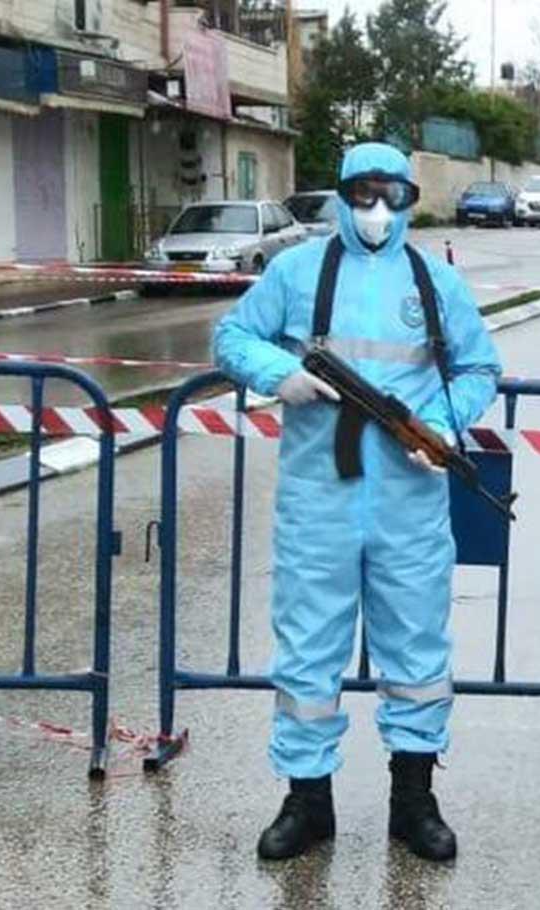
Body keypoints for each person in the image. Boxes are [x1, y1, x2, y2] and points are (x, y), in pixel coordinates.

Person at [213, 142, 501, 863]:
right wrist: (279, 374)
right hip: (319, 500)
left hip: (410, 502)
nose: (378, 209)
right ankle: (307, 799)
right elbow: (231, 336)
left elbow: (479, 368)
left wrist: (438, 424)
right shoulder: (297, 271)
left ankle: (414, 798)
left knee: (418, 649)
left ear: (410, 199)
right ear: (341, 195)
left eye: (394, 195)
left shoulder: (435, 282)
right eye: (364, 193)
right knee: (308, 651)